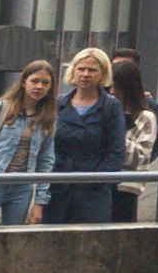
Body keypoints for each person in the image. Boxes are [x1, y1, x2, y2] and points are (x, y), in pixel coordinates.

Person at [0, 59, 56, 227]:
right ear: (24, 82)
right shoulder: (1, 108)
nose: (39, 86)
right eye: (34, 81)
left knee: (12, 236)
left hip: (22, 187)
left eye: (45, 82)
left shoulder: (48, 116)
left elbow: (46, 160)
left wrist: (40, 201)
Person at [42, 50, 127, 226]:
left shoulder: (111, 106)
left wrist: (96, 181)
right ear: (73, 71)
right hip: (57, 187)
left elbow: (116, 152)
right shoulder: (58, 104)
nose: (85, 74)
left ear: (103, 74)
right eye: (81, 69)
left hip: (93, 192)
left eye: (92, 70)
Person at [110, 57, 158, 225]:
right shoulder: (104, 112)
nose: (111, 92)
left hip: (125, 189)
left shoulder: (146, 117)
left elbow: (139, 157)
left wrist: (116, 133)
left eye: (116, 87)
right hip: (98, 186)